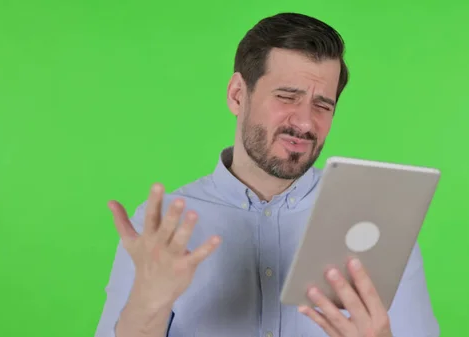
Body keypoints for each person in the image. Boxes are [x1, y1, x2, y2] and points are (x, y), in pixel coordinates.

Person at [95, 12, 440, 337]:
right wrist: (148, 306)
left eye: (323, 105)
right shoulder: (161, 230)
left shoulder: (380, 225)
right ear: (237, 95)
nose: (305, 122)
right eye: (287, 96)